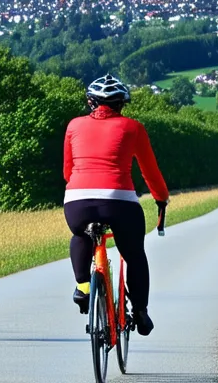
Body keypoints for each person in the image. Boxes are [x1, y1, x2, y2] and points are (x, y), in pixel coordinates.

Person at [63, 74, 169, 336]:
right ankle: (141, 312)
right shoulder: (133, 128)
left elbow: (68, 171)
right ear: (122, 104)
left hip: (78, 200)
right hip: (119, 202)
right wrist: (161, 197)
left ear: (91, 102)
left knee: (80, 234)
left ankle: (83, 287)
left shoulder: (73, 125)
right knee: (134, 255)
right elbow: (150, 171)